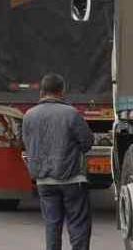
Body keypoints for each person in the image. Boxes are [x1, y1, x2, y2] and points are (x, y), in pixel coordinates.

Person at [22, 73, 94, 250]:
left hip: (44, 181)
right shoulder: (71, 114)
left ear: (41, 92)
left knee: (52, 226)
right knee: (78, 226)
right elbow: (87, 142)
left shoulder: (29, 116)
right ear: (62, 91)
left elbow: (26, 143)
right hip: (72, 179)